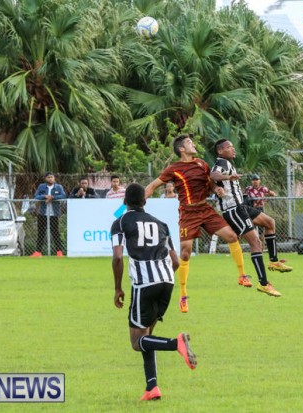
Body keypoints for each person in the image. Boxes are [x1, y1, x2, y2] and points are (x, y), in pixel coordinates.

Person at [145, 134, 251, 313]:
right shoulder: (174, 168)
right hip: (188, 213)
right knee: (185, 253)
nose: (193, 144)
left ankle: (242, 275)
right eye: (189, 142)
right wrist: (137, 203)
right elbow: (153, 186)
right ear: (181, 149)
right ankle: (183, 295)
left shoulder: (202, 164)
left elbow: (210, 183)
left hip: (205, 209)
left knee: (232, 236)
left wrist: (216, 189)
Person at [111, 183, 196, 402]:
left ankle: (176, 343)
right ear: (145, 201)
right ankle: (152, 387)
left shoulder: (120, 222)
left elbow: (118, 257)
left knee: (136, 342)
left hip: (144, 284)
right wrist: (162, 277)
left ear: (124, 202)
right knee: (147, 336)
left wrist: (118, 288)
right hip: (167, 281)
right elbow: (175, 261)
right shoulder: (161, 224)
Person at [211, 139, 285, 297]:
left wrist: (218, 186)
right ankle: (264, 284)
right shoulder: (222, 163)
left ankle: (273, 261)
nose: (233, 149)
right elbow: (213, 174)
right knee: (256, 243)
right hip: (233, 209)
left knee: (269, 222)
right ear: (220, 151)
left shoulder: (227, 163)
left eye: (232, 146)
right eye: (229, 147)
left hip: (241, 206)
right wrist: (227, 178)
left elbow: (213, 179)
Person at [32, 172, 66, 257]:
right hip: (42, 213)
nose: (50, 179)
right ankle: (38, 252)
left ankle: (59, 252)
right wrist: (45, 196)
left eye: (52, 177)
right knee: (41, 233)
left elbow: (63, 196)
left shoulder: (59, 187)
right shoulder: (41, 186)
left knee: (55, 233)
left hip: (54, 214)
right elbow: (36, 196)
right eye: (48, 177)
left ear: (54, 178)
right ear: (45, 179)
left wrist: (52, 197)